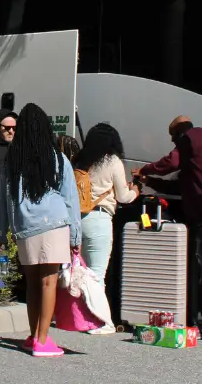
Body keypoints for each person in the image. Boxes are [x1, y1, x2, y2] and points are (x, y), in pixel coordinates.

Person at [0, 103, 80, 357]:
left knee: (31, 283)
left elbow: (2, 198)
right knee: (49, 281)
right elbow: (70, 199)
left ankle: (33, 336)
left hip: (25, 227)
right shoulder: (57, 158)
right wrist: (75, 236)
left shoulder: (13, 160)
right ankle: (43, 340)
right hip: (54, 225)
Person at [134, 115, 202, 336]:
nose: (172, 143)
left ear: (179, 132)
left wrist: (145, 169)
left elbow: (171, 162)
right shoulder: (198, 155)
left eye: (172, 137)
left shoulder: (191, 137)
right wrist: (148, 182)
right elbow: (179, 187)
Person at [70, 123, 138, 334]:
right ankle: (99, 322)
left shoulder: (79, 159)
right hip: (99, 219)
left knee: (78, 272)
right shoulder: (112, 161)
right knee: (97, 274)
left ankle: (78, 317)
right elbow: (123, 197)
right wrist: (135, 190)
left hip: (76, 219)